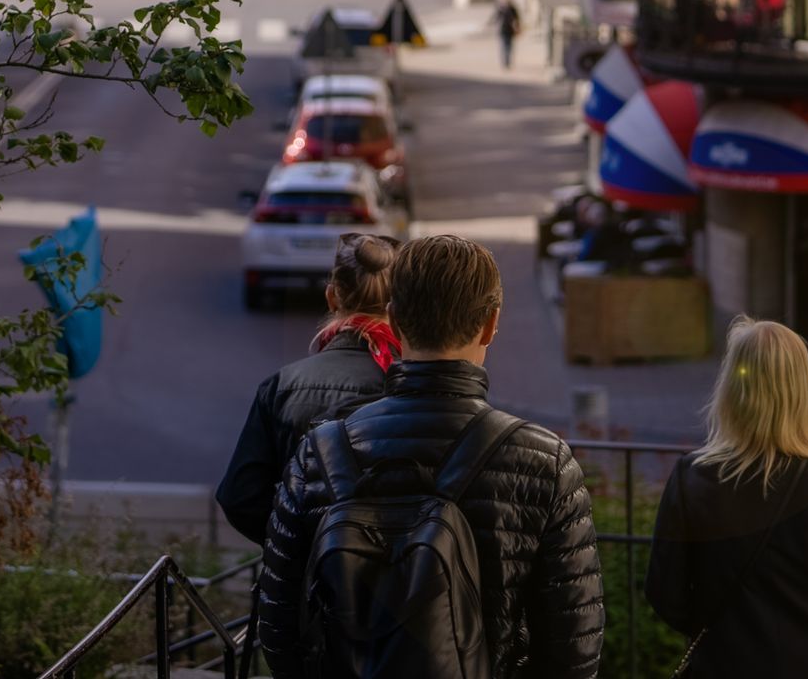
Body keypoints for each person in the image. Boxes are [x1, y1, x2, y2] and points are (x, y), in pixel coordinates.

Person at [256, 235, 604, 678]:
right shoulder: (544, 462)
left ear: (395, 321)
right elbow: (573, 651)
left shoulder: (320, 453)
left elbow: (280, 629)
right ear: (491, 325)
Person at [645, 317, 808, 679]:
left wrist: (723, 635)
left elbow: (665, 593)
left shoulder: (692, 477)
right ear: (803, 391)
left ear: (731, 388)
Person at [216, 233, 401, 545]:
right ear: (400, 307)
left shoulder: (283, 386)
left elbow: (240, 498)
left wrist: (299, 549)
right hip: (399, 583)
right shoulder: (415, 383)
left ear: (332, 296)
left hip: (306, 585)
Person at [495, 0, 523, 69]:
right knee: (505, 47)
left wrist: (518, 28)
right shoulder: (502, 9)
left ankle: (507, 61)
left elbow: (517, 19)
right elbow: (496, 19)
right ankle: (506, 62)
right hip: (503, 31)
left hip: (509, 31)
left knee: (508, 47)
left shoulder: (511, 9)